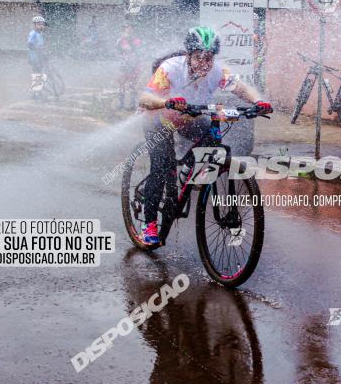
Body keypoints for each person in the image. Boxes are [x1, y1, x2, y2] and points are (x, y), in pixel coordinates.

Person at [138, 26, 271, 246]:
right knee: (161, 167)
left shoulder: (217, 72)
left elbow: (241, 88)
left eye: (209, 57)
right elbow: (145, 99)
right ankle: (149, 225)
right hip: (158, 120)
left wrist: (258, 102)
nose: (205, 63)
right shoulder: (170, 69)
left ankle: (186, 173)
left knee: (212, 134)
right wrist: (167, 102)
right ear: (188, 55)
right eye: (199, 57)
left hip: (189, 117)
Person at [116, 24, 143, 110]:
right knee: (121, 85)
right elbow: (117, 49)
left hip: (134, 65)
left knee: (132, 85)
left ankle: (132, 104)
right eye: (127, 30)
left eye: (130, 30)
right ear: (123, 31)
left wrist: (128, 44)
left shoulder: (136, 41)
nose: (129, 32)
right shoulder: (120, 40)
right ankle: (121, 104)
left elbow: (136, 49)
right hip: (124, 65)